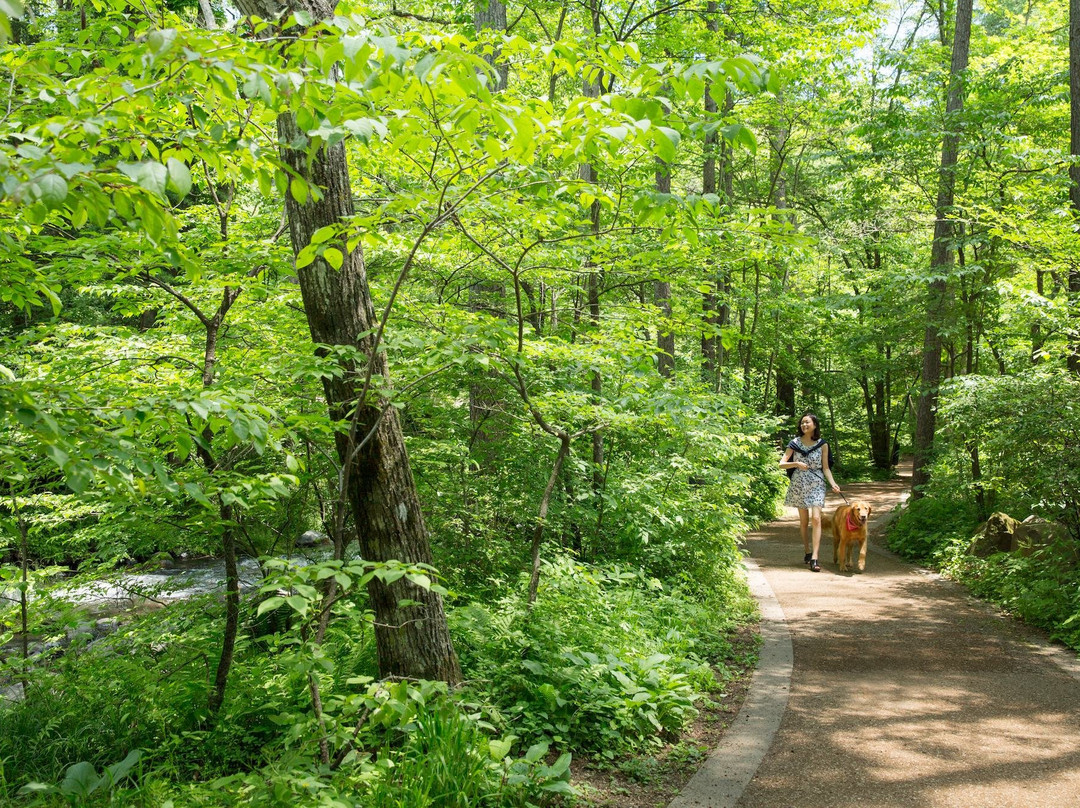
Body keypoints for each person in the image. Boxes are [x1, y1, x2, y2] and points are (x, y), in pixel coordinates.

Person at [779, 413, 841, 572]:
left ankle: (815, 557)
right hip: (799, 483)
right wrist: (796, 463)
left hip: (817, 482)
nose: (804, 425)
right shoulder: (794, 443)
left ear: (815, 424)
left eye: (807, 422)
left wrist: (833, 484)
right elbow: (781, 464)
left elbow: (826, 468)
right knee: (804, 521)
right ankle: (807, 550)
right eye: (802, 423)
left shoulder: (823, 444)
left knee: (816, 518)